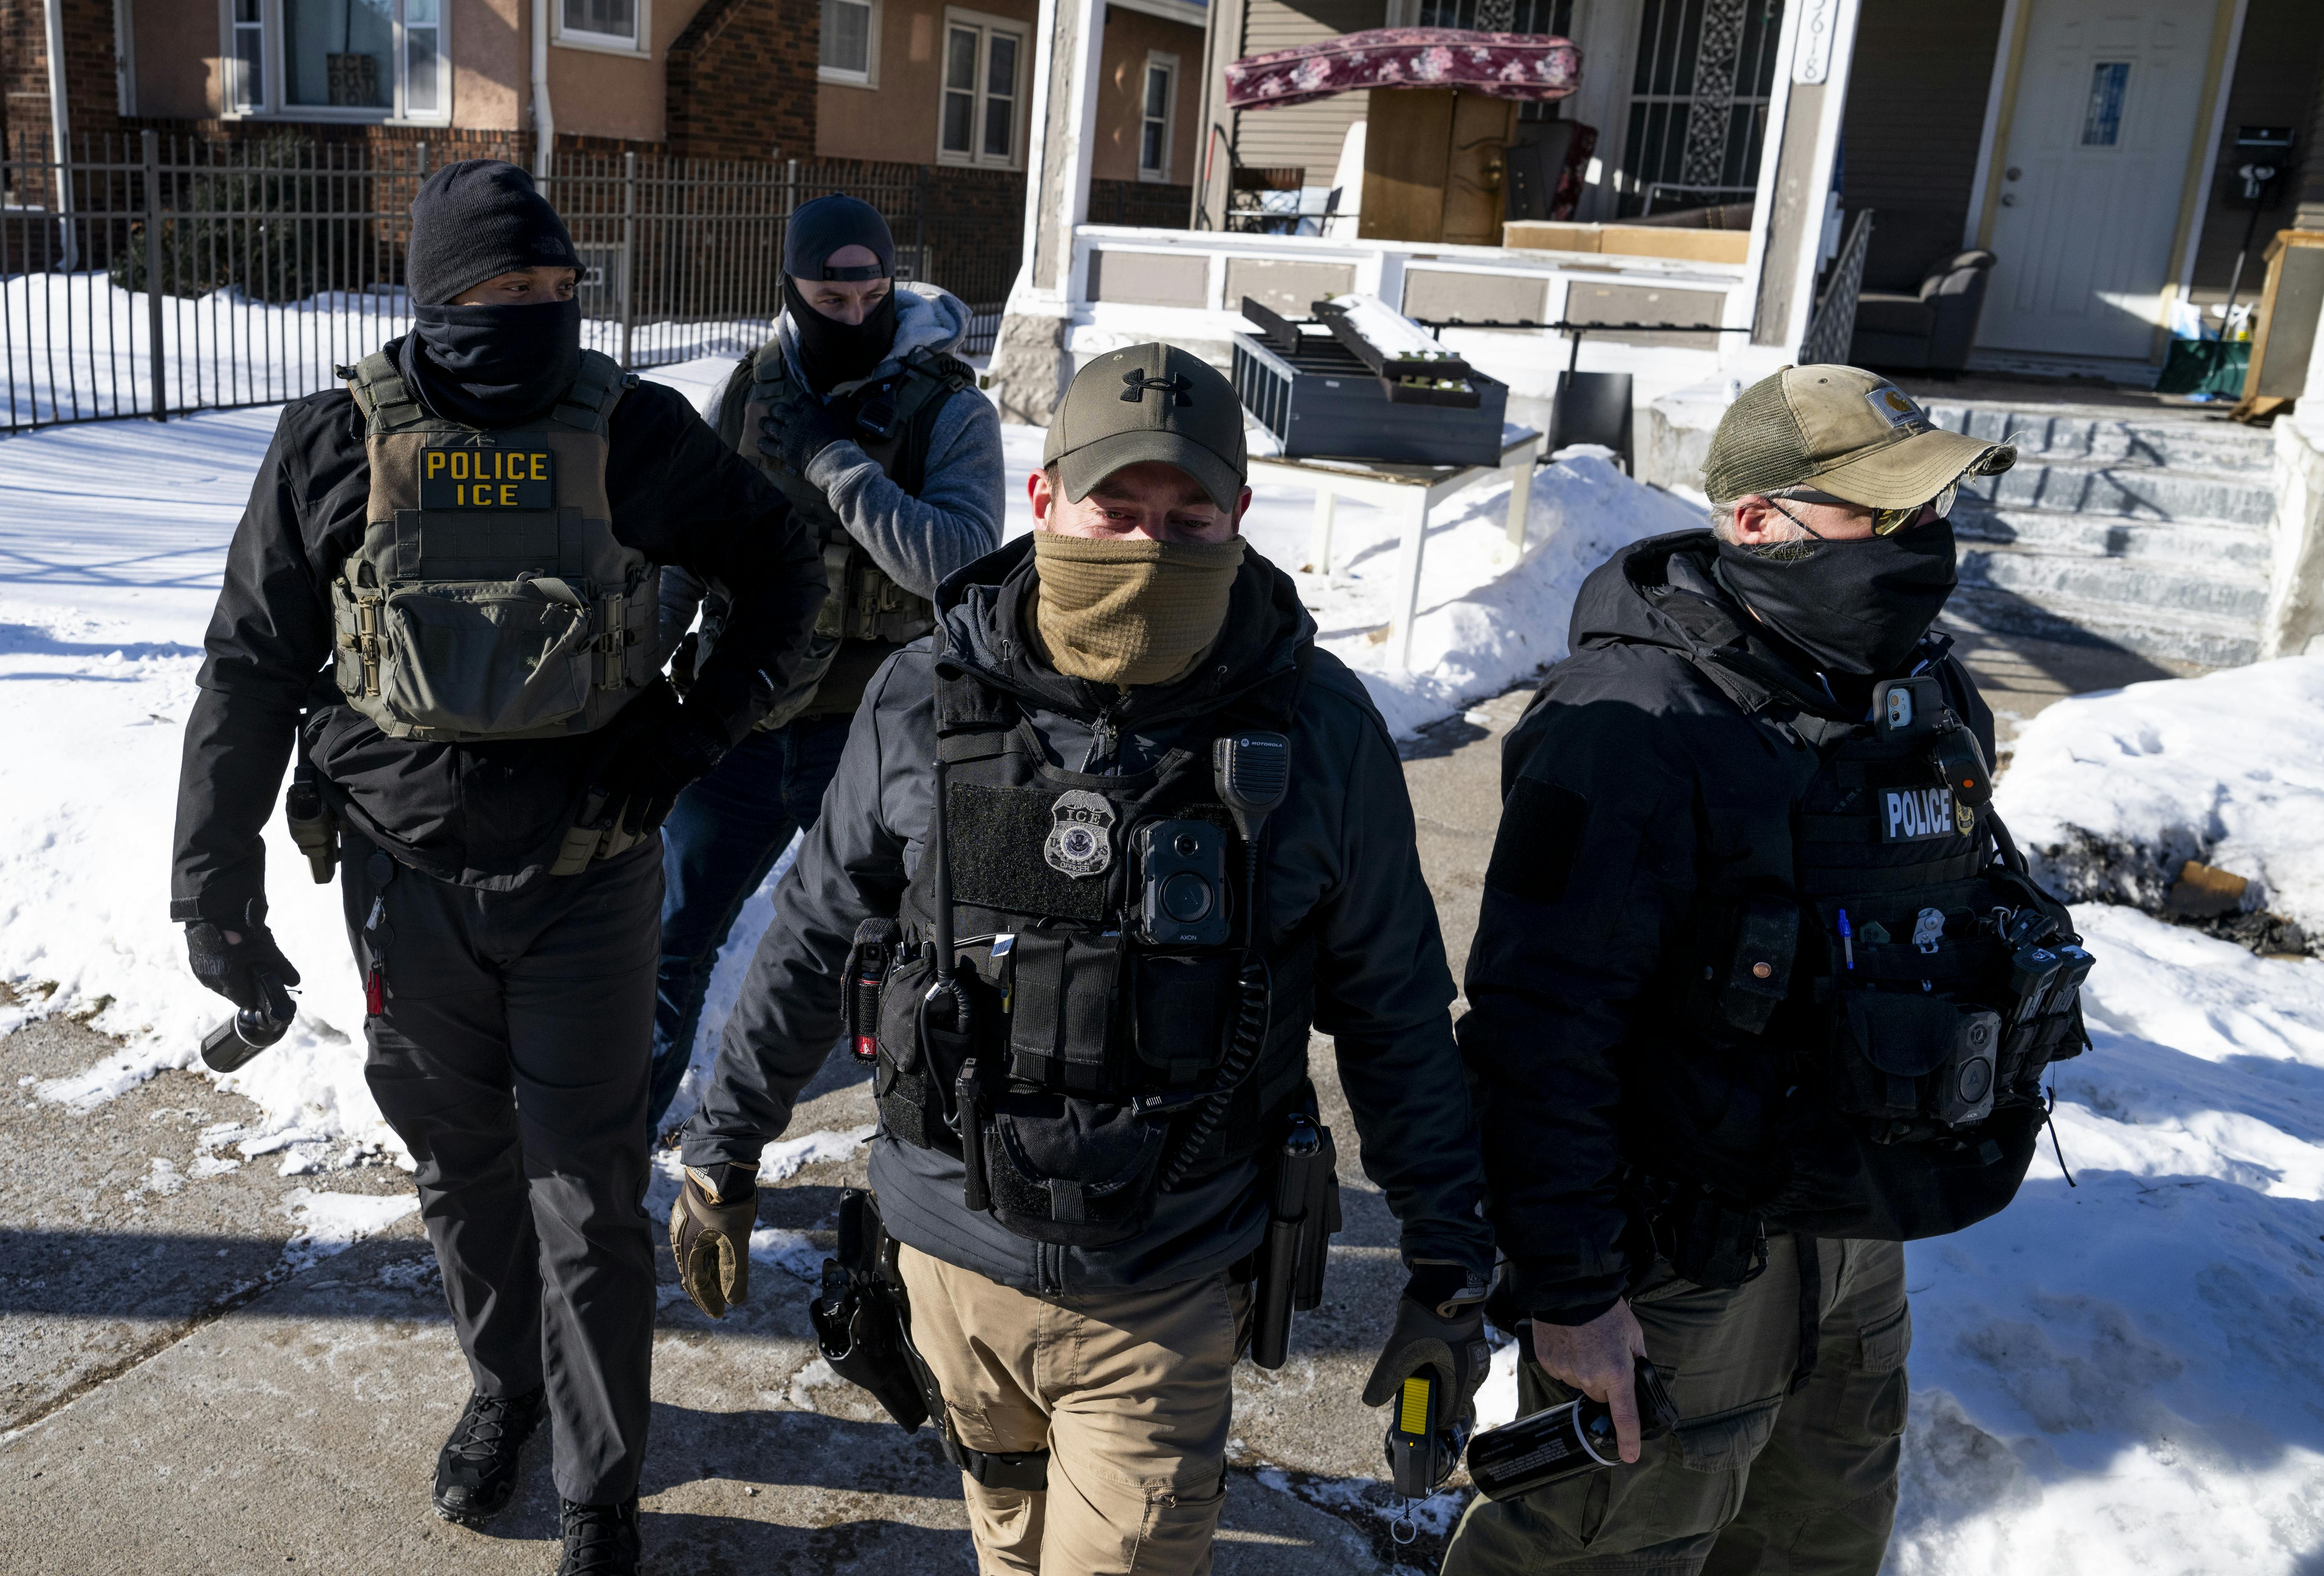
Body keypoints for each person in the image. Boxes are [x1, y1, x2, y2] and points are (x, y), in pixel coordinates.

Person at [667, 344, 1497, 1574]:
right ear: (1047, 499)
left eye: (1188, 515)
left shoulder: (1314, 728)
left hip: (1163, 1290)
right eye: (1118, 507)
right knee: (1004, 1539)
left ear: (1238, 518)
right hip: (945, 1272)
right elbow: (812, 935)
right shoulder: (923, 695)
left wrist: (1445, 1264)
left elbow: (1393, 1015)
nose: (1150, 546)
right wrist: (723, 1147)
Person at [169, 161, 824, 1576]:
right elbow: (250, 668)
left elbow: (784, 572)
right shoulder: (331, 446)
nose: (527, 311)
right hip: (404, 888)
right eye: (490, 290)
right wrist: (211, 889)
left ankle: (601, 1482)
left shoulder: (634, 434)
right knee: (462, 1169)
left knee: (587, 1190)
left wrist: (685, 729)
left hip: (590, 882)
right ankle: (504, 1387)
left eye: (550, 287)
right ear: (431, 299)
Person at [1442, 365, 2093, 1576]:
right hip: (1677, 1263)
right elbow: (1538, 1033)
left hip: (1856, 1245)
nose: (1924, 547)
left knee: (1817, 1546)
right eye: (1885, 519)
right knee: (1603, 1553)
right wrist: (1571, 1290)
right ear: (1756, 523)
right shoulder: (1627, 726)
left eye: (1933, 514)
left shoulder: (1919, 693)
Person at [646, 193, 1004, 1134]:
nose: (851, 318)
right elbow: (684, 551)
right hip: (745, 720)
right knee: (671, 940)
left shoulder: (949, 407)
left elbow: (963, 567)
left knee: (897, 956)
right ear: (792, 293)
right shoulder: (746, 391)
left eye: (870, 298)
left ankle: (917, 1158)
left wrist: (836, 462)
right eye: (828, 302)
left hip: (877, 739)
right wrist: (636, 669)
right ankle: (618, 1142)